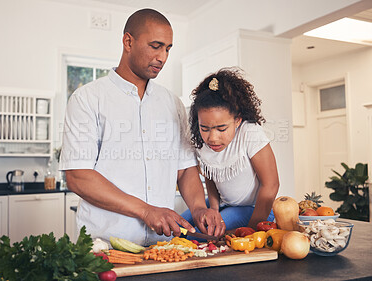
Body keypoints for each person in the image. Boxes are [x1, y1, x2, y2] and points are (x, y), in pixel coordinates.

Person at [59, 8, 225, 246]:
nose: (163, 57)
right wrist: (146, 211)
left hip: (162, 246)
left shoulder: (172, 104)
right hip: (104, 246)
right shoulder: (87, 99)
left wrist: (199, 208)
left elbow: (186, 168)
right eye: (155, 46)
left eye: (168, 49)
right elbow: (78, 176)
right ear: (128, 41)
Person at [181, 67, 279, 235]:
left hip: (254, 209)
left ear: (237, 120)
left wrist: (252, 230)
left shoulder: (250, 133)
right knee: (178, 226)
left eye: (221, 128)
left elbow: (271, 185)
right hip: (224, 205)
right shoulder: (202, 141)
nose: (212, 138)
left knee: (200, 234)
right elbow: (211, 176)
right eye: (205, 128)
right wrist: (213, 209)